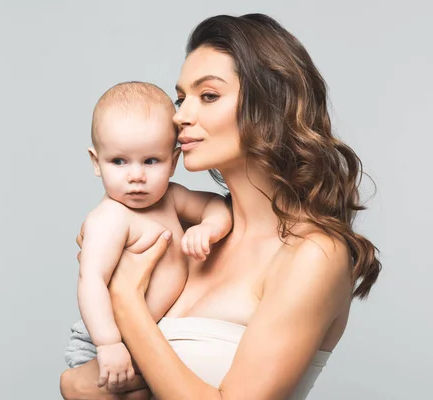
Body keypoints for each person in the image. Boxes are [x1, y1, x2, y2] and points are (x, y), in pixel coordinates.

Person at [60, 13, 381, 400]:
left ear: (270, 108)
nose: (180, 116)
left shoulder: (313, 254)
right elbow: (77, 385)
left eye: (208, 96)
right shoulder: (178, 231)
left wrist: (126, 301)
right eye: (181, 98)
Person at [65, 81, 233, 390]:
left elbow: (216, 205)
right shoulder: (110, 217)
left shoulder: (170, 197)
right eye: (119, 161)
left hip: (145, 334)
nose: (136, 176)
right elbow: (91, 282)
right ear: (96, 162)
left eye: (151, 161)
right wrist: (108, 344)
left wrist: (209, 227)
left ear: (173, 162)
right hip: (106, 340)